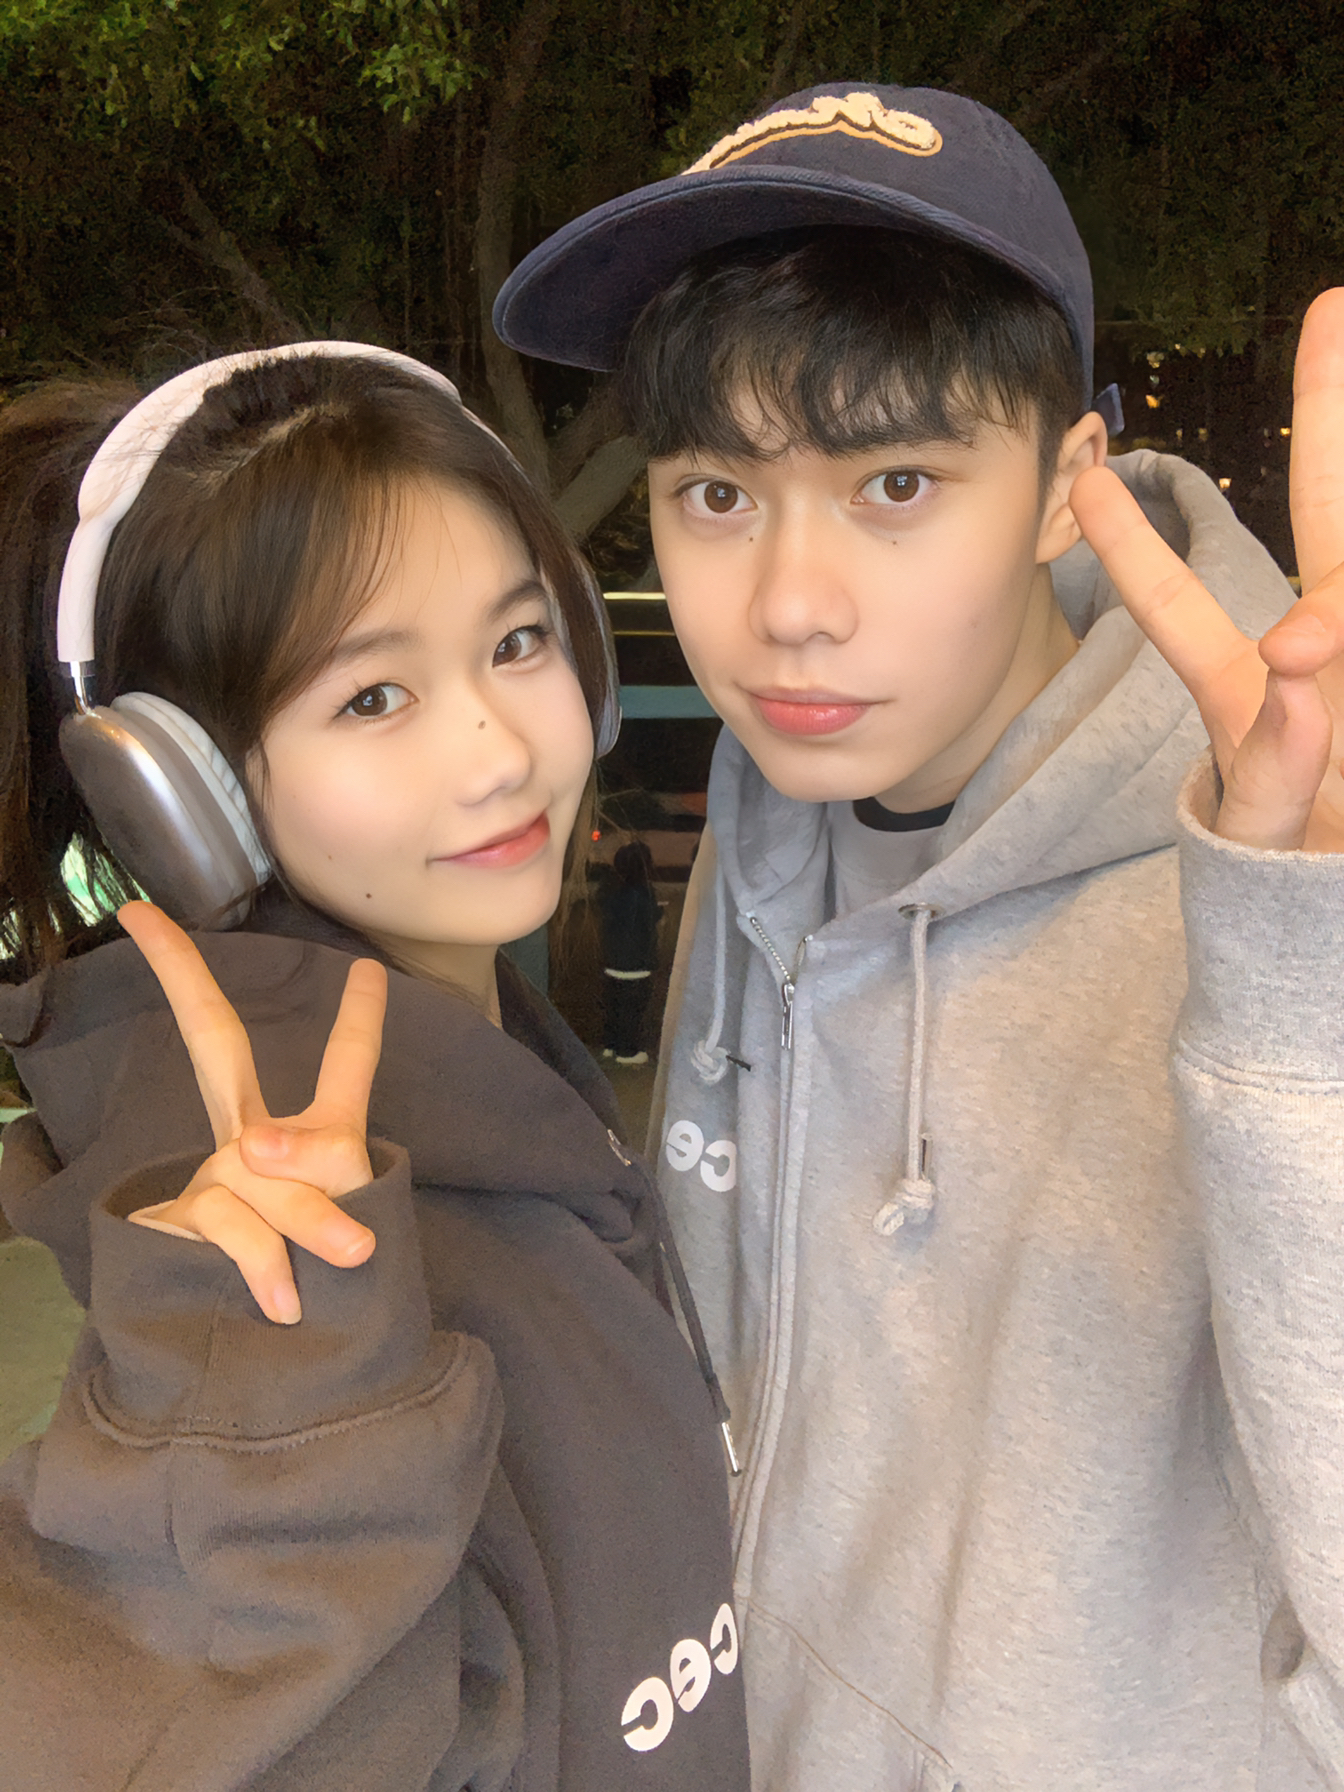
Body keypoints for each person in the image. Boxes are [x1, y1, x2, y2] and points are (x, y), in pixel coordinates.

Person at [493, 83, 1344, 1791]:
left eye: (895, 481)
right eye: (715, 492)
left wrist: (1301, 989)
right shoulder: (776, 812)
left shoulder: (1291, 886)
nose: (788, 606)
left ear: (1063, 490)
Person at [0, 345, 750, 1790]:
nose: (497, 753)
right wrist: (265, 1419)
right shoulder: (260, 1235)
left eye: (517, 642)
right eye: (371, 698)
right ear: (184, 799)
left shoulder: (498, 1071)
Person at [599, 840, 660, 1066]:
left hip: (613, 959)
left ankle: (611, 1044)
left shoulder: (610, 890)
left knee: (614, 1005)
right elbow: (647, 921)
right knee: (632, 1010)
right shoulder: (644, 893)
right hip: (636, 963)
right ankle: (627, 1052)